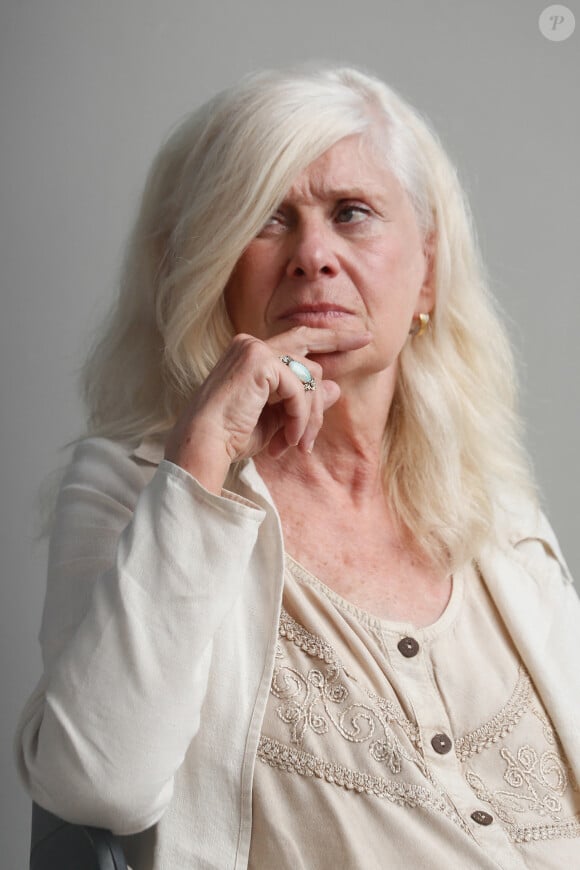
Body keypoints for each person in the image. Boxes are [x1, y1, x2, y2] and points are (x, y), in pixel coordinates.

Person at [15, 65, 580, 870]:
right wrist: (202, 460)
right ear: (210, 265)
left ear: (425, 265)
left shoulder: (500, 514)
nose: (314, 255)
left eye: (352, 214)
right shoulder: (135, 490)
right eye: (267, 220)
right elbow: (98, 787)